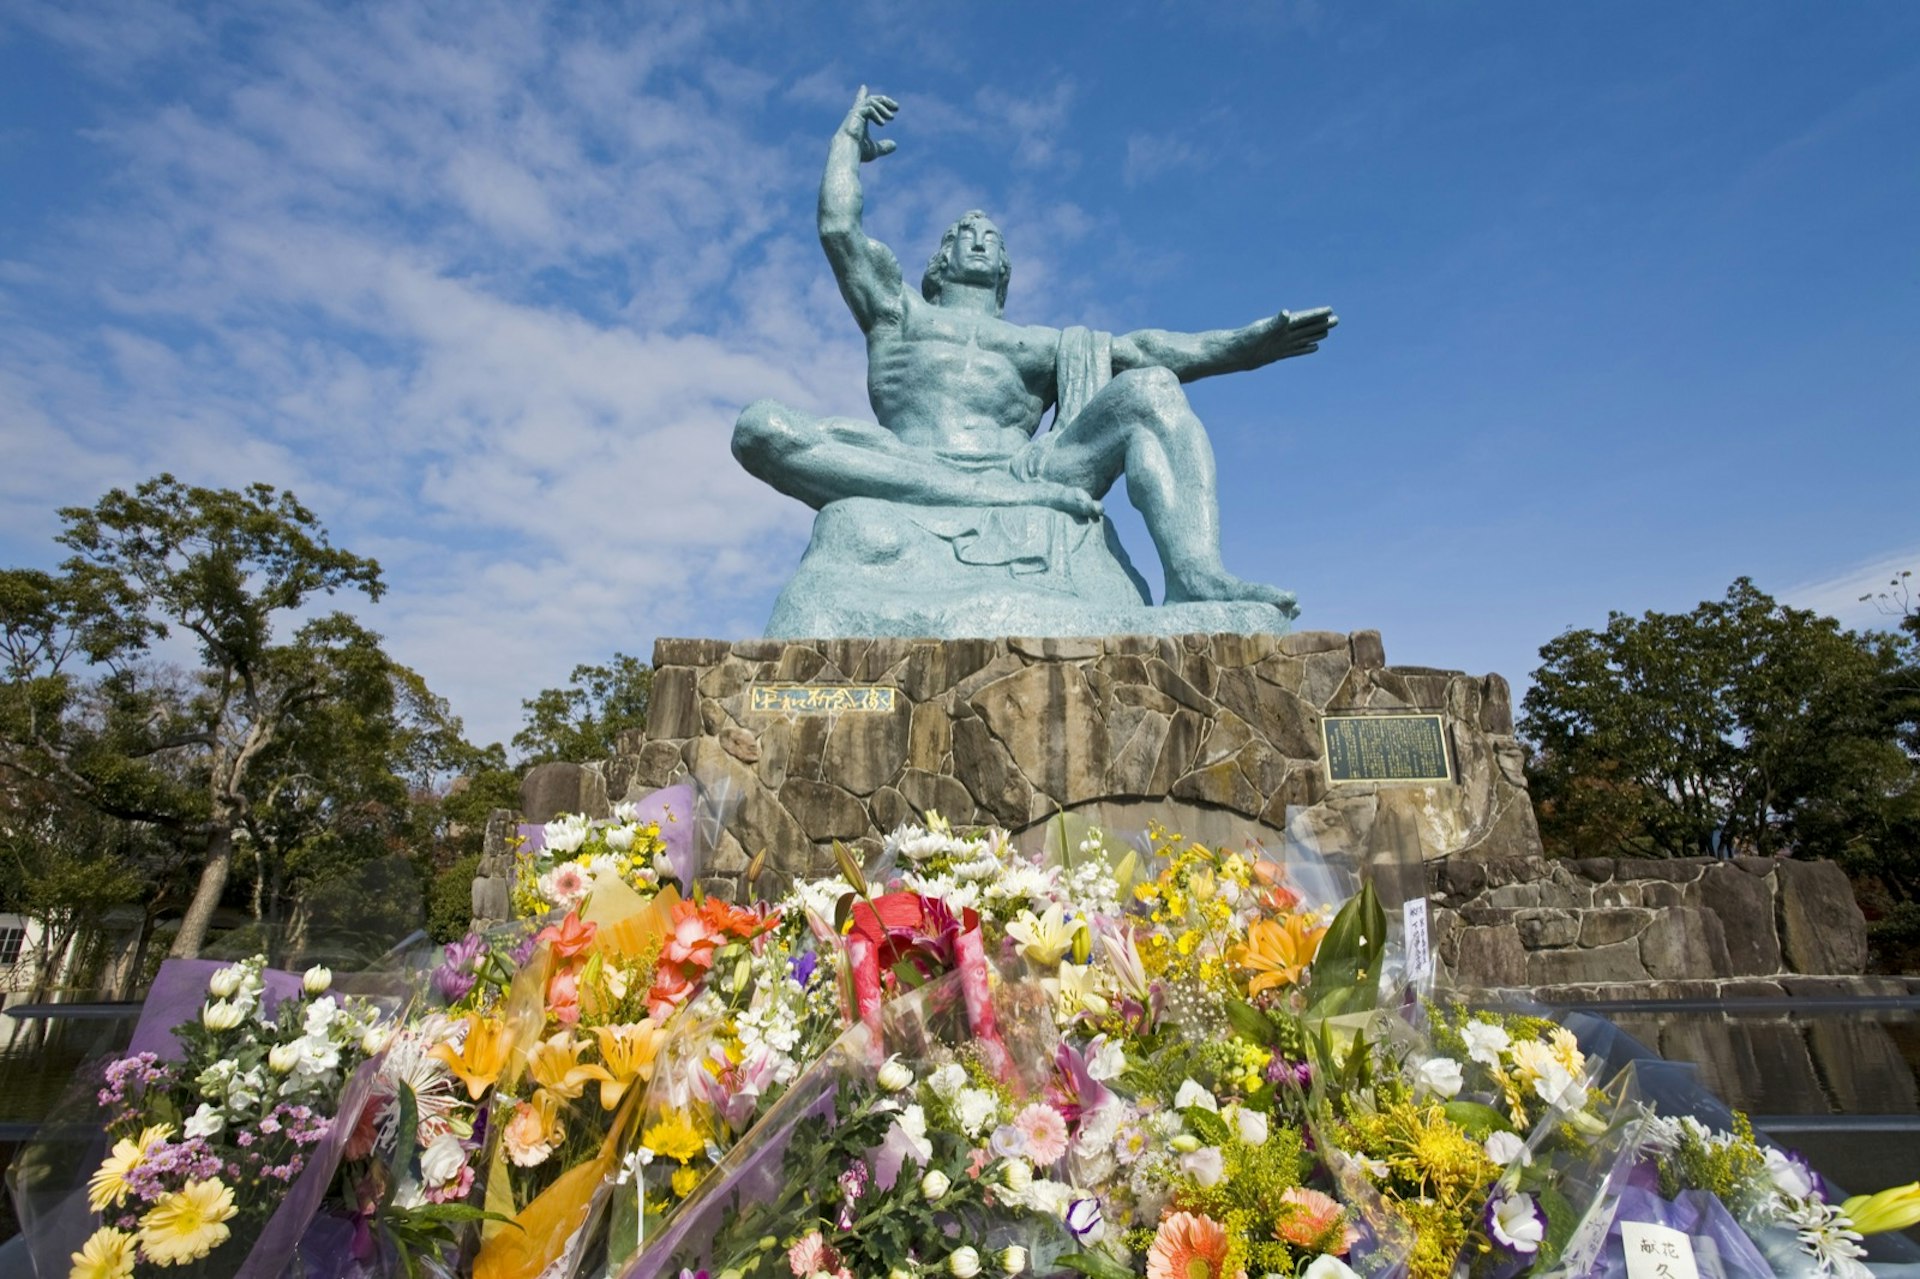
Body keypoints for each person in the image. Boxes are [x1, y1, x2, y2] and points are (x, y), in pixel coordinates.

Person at [732, 87, 1335, 612]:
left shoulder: (1038, 344)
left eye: (990, 238)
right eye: (962, 235)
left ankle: (1196, 576)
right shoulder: (898, 312)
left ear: (1004, 270)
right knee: (760, 427)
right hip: (912, 461)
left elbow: (1146, 349)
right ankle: (986, 498)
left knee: (1150, 390)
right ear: (937, 263)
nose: (977, 240)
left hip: (1028, 469)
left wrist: (1243, 346)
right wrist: (846, 143)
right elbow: (840, 229)